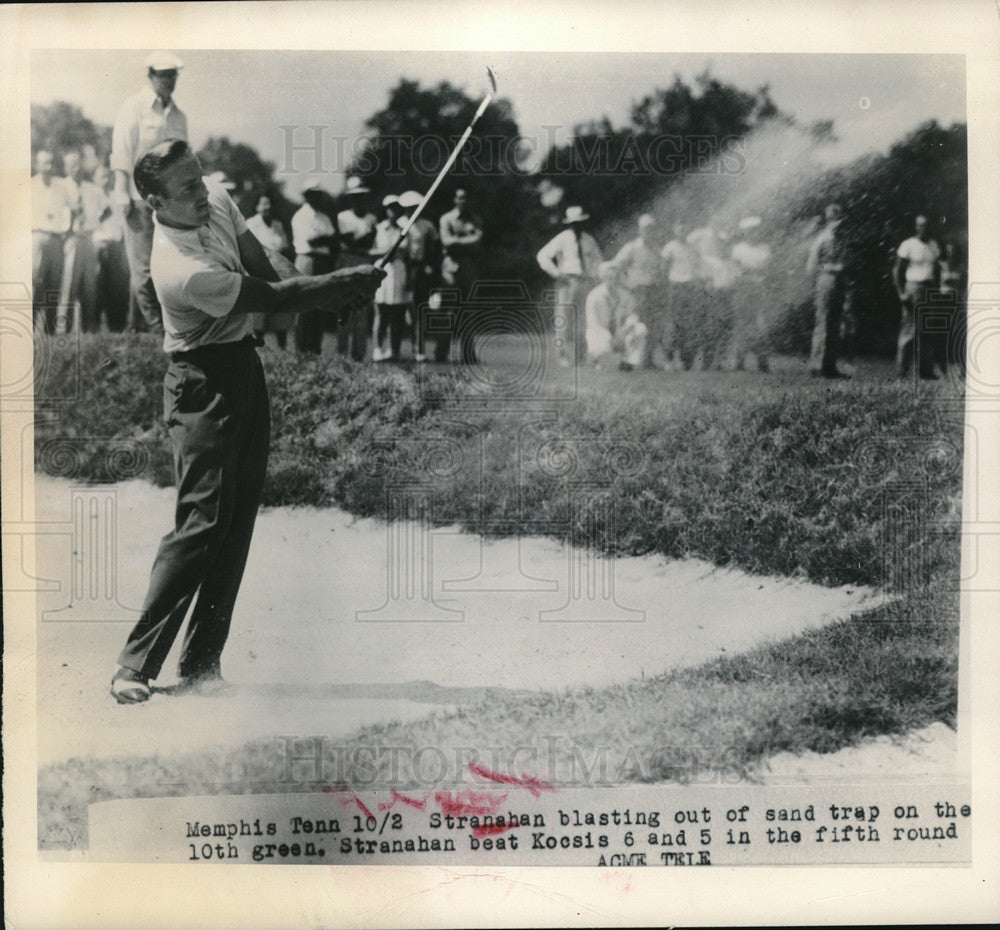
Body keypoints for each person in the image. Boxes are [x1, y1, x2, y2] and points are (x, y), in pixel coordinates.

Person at [109, 139, 383, 704]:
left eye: (200, 177)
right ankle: (134, 666)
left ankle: (202, 663)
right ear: (155, 202)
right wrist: (332, 290)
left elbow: (269, 265)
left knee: (236, 519)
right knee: (202, 522)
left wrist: (326, 296)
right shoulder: (180, 269)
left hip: (243, 367)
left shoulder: (212, 201)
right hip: (199, 383)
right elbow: (273, 298)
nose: (202, 191)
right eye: (186, 188)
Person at [110, 51, 188, 335]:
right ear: (150, 76)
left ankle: (137, 327)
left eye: (173, 75)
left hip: (167, 202)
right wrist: (120, 192)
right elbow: (121, 153)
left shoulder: (179, 116)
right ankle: (157, 330)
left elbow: (182, 160)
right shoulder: (133, 107)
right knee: (143, 270)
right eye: (163, 75)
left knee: (162, 265)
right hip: (137, 197)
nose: (169, 80)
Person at [536, 205, 603, 367]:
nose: (577, 225)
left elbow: (598, 260)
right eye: (574, 223)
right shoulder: (563, 238)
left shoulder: (588, 240)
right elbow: (542, 256)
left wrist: (594, 276)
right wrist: (557, 273)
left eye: (580, 222)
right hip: (567, 282)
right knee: (563, 319)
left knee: (583, 320)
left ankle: (581, 356)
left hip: (584, 281)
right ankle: (562, 356)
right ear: (569, 223)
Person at [31, 149, 76, 334]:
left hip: (57, 239)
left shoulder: (61, 185)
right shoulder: (30, 185)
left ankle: (50, 330)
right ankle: (30, 328)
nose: (48, 167)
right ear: (37, 165)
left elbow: (73, 209)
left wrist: (68, 231)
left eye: (50, 162)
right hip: (37, 238)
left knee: (54, 284)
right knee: (35, 282)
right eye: (44, 163)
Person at [611, 214, 665, 367]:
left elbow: (660, 270)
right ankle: (627, 359)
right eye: (646, 229)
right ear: (640, 230)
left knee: (652, 326)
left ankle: (648, 360)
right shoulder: (632, 247)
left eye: (651, 229)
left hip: (653, 291)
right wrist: (625, 283)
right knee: (633, 325)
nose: (649, 232)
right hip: (635, 291)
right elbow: (616, 266)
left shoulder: (656, 249)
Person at [290, 183, 338, 354]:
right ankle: (301, 348)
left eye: (318, 194)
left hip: (323, 261)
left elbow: (332, 239)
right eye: (312, 194)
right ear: (306, 196)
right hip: (307, 260)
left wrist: (325, 239)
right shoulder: (301, 216)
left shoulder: (323, 217)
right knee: (304, 307)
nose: (316, 198)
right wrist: (326, 239)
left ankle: (315, 347)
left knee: (320, 306)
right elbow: (312, 241)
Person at [438, 188, 484, 364]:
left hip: (469, 267)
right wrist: (467, 240)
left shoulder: (475, 220)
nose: (463, 201)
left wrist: (459, 241)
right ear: (455, 200)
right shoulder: (446, 219)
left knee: (468, 310)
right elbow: (446, 242)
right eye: (460, 198)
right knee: (448, 310)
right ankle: (441, 353)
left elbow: (478, 243)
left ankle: (468, 354)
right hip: (451, 266)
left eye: (466, 198)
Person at [806, 203, 852, 379]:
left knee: (834, 324)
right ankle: (818, 365)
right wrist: (828, 270)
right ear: (829, 220)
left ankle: (829, 365)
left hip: (837, 280)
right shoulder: (823, 238)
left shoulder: (838, 239)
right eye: (835, 221)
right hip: (827, 279)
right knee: (824, 322)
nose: (839, 225)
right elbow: (811, 266)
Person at [893, 214, 941, 379]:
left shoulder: (933, 245)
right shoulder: (908, 245)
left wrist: (937, 291)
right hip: (913, 288)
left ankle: (925, 370)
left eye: (926, 225)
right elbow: (897, 271)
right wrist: (901, 293)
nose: (924, 228)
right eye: (921, 225)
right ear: (916, 227)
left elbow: (937, 270)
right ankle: (902, 370)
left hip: (929, 289)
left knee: (926, 329)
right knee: (909, 329)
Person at [335, 176, 377, 361]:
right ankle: (341, 353)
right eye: (355, 197)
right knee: (344, 306)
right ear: (350, 198)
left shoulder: (372, 217)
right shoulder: (343, 217)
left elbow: (365, 241)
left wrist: (364, 239)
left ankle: (359, 355)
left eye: (361, 196)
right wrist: (367, 236)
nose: (358, 200)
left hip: (365, 261)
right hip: (347, 261)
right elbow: (349, 241)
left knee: (362, 309)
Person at [688, 220, 737, 370]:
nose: (722, 246)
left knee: (722, 327)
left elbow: (729, 283)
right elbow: (701, 277)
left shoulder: (726, 262)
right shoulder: (705, 259)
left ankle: (720, 360)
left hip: (721, 298)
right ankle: (706, 360)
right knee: (705, 327)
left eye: (724, 244)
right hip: (707, 296)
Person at [398, 189, 440, 362]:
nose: (412, 211)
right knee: (398, 309)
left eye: (415, 207)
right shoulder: (399, 223)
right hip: (401, 267)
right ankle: (394, 350)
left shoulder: (427, 226)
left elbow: (434, 247)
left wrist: (430, 265)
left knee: (419, 310)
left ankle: (419, 350)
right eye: (409, 208)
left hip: (419, 269)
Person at [246, 195, 294, 348]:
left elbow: (285, 247)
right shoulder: (251, 224)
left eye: (269, 204)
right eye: (263, 204)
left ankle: (282, 349)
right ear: (257, 206)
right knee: (259, 314)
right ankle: (257, 348)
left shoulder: (278, 225)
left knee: (280, 313)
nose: (267, 207)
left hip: (278, 272)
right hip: (258, 272)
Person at [62, 148, 101, 332]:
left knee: (90, 285)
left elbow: (100, 213)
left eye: (78, 164)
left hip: (88, 238)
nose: (75, 168)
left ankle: (89, 328)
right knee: (69, 283)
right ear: (65, 167)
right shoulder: (61, 187)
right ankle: (64, 328)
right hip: (71, 238)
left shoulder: (91, 189)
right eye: (71, 165)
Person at [585, 261, 648, 370]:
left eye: (614, 277)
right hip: (601, 334)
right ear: (603, 278)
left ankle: (630, 362)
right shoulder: (594, 296)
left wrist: (625, 329)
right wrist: (610, 338)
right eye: (608, 277)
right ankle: (601, 360)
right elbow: (593, 323)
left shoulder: (625, 295)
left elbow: (633, 315)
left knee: (640, 329)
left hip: (620, 333)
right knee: (602, 350)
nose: (612, 281)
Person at [729, 215, 773, 372]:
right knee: (741, 325)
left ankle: (762, 361)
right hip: (742, 291)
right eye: (750, 231)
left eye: (755, 231)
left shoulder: (765, 249)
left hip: (759, 291)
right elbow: (736, 272)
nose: (753, 234)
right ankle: (738, 362)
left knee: (760, 325)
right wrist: (750, 275)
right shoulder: (738, 249)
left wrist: (749, 273)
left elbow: (766, 272)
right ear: (745, 232)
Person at [91, 164, 131, 332]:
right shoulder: (90, 195)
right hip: (97, 246)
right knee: (97, 288)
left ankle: (117, 325)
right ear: (94, 179)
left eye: (109, 177)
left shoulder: (116, 197)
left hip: (116, 246)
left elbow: (122, 222)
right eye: (102, 177)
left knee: (117, 287)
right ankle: (94, 326)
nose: (106, 180)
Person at [372, 195, 411, 361]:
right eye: (390, 208)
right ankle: (378, 349)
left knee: (397, 315)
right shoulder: (378, 228)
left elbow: (406, 253)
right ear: (386, 210)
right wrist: (386, 252)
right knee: (381, 313)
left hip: (399, 272)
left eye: (396, 208)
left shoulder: (404, 230)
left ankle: (394, 351)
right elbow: (372, 251)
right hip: (383, 271)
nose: (393, 211)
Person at [661, 219, 700, 370]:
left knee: (688, 325)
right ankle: (669, 359)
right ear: (675, 230)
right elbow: (664, 268)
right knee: (673, 324)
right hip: (675, 286)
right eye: (679, 229)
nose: (682, 232)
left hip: (689, 287)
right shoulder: (670, 247)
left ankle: (685, 360)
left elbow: (696, 266)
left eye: (685, 229)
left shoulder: (692, 247)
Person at [938, 239, 966, 375]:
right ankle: (942, 366)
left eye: (953, 251)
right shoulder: (940, 264)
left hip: (956, 299)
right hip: (943, 299)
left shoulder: (960, 266)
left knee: (959, 332)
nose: (951, 253)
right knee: (943, 332)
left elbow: (959, 281)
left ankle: (961, 367)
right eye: (949, 250)